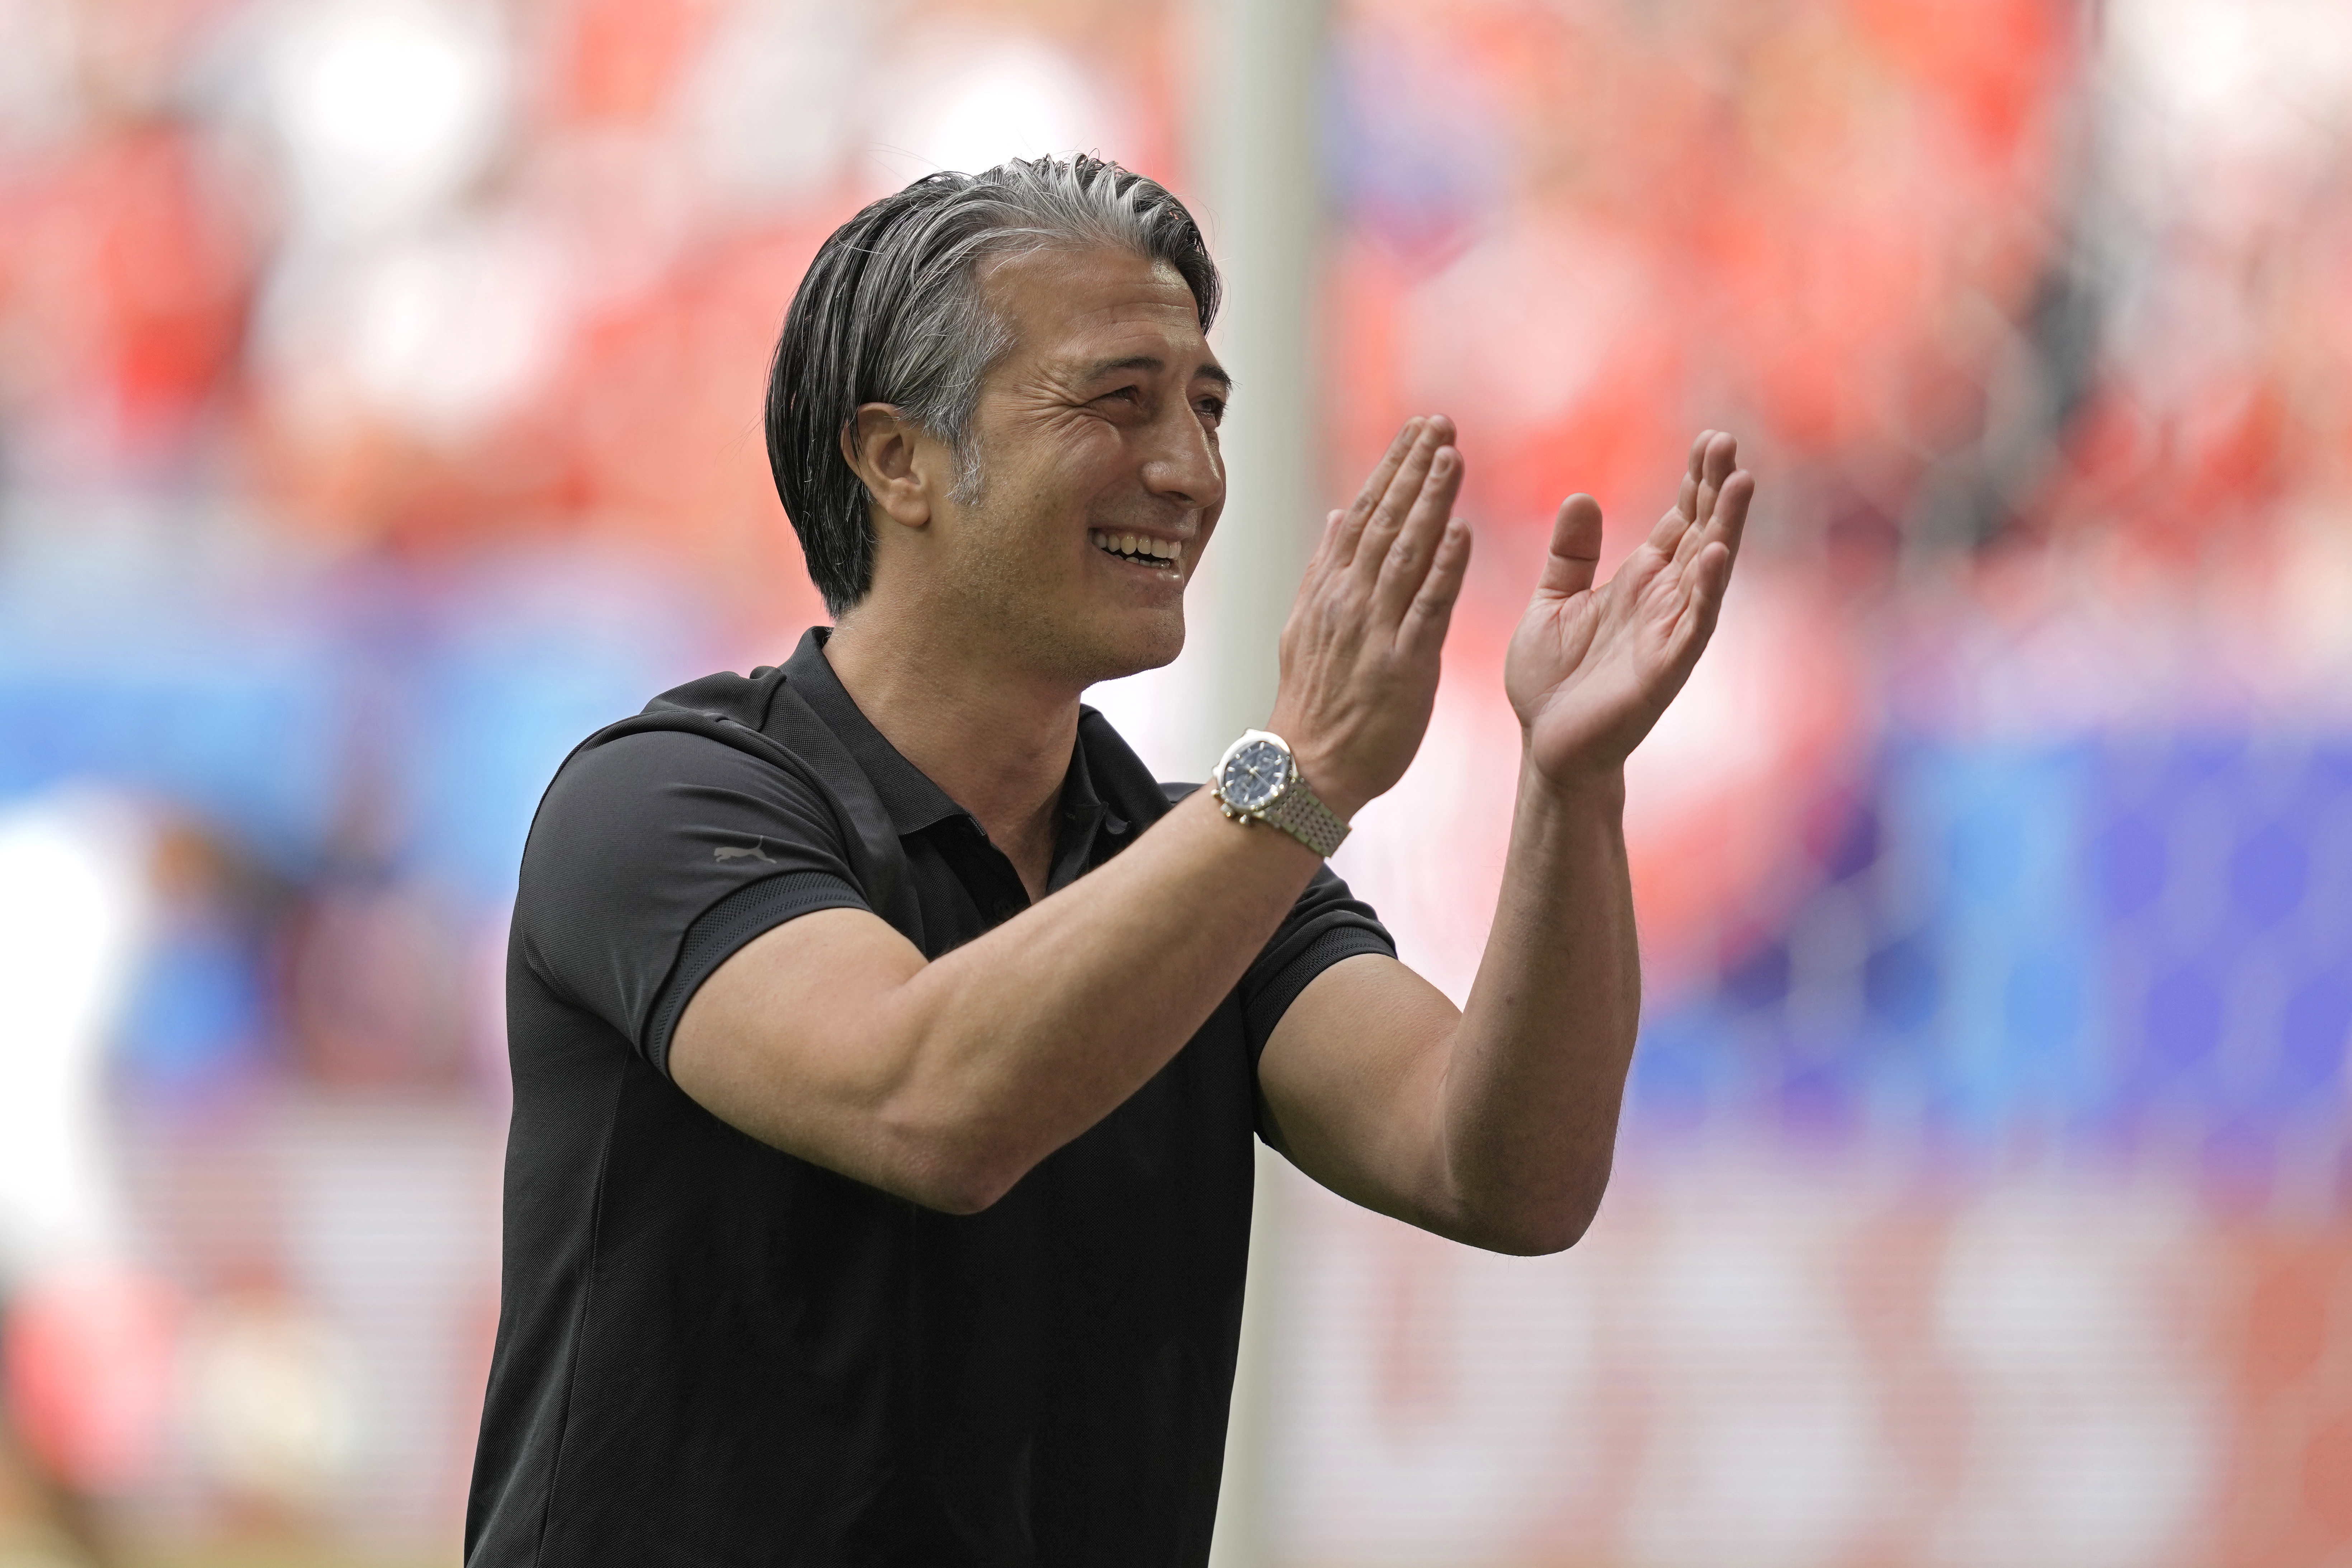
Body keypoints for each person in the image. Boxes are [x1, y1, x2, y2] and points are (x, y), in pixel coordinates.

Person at [464, 155, 1752, 1567]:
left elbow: (1506, 1173)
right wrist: (1298, 773)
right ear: (896, 459)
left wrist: (1571, 788)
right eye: (1115, 399)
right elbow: (927, 1104)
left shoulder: (1212, 871)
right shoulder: (664, 801)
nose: (1189, 472)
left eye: (1205, 408)